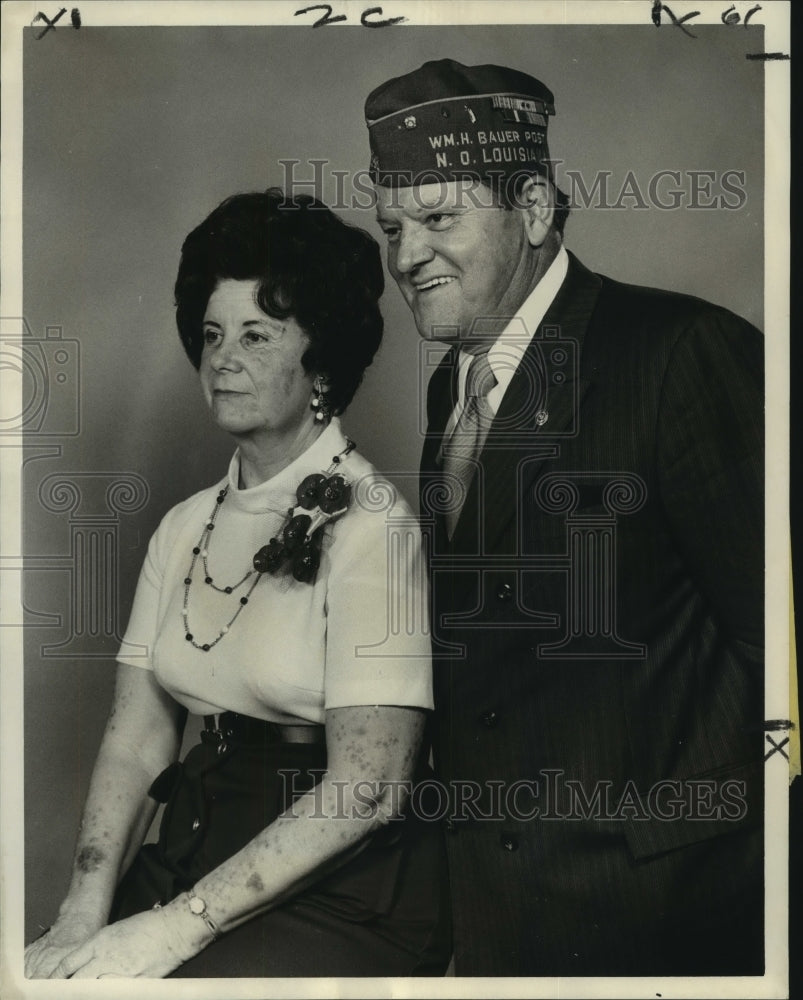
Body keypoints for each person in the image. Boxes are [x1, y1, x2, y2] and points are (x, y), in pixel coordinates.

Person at [363, 59, 764, 976]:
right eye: (391, 227)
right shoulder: (451, 392)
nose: (406, 256)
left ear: (535, 209)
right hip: (502, 915)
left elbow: (780, 652)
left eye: (437, 219)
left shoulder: (682, 353)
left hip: (669, 913)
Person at [24, 189, 451, 979]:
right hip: (196, 846)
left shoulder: (371, 527)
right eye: (213, 333)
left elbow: (370, 788)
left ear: (320, 360)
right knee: (40, 979)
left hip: (342, 888)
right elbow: (137, 739)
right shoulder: (184, 526)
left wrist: (173, 930)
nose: (223, 358)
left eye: (257, 335)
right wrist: (79, 915)